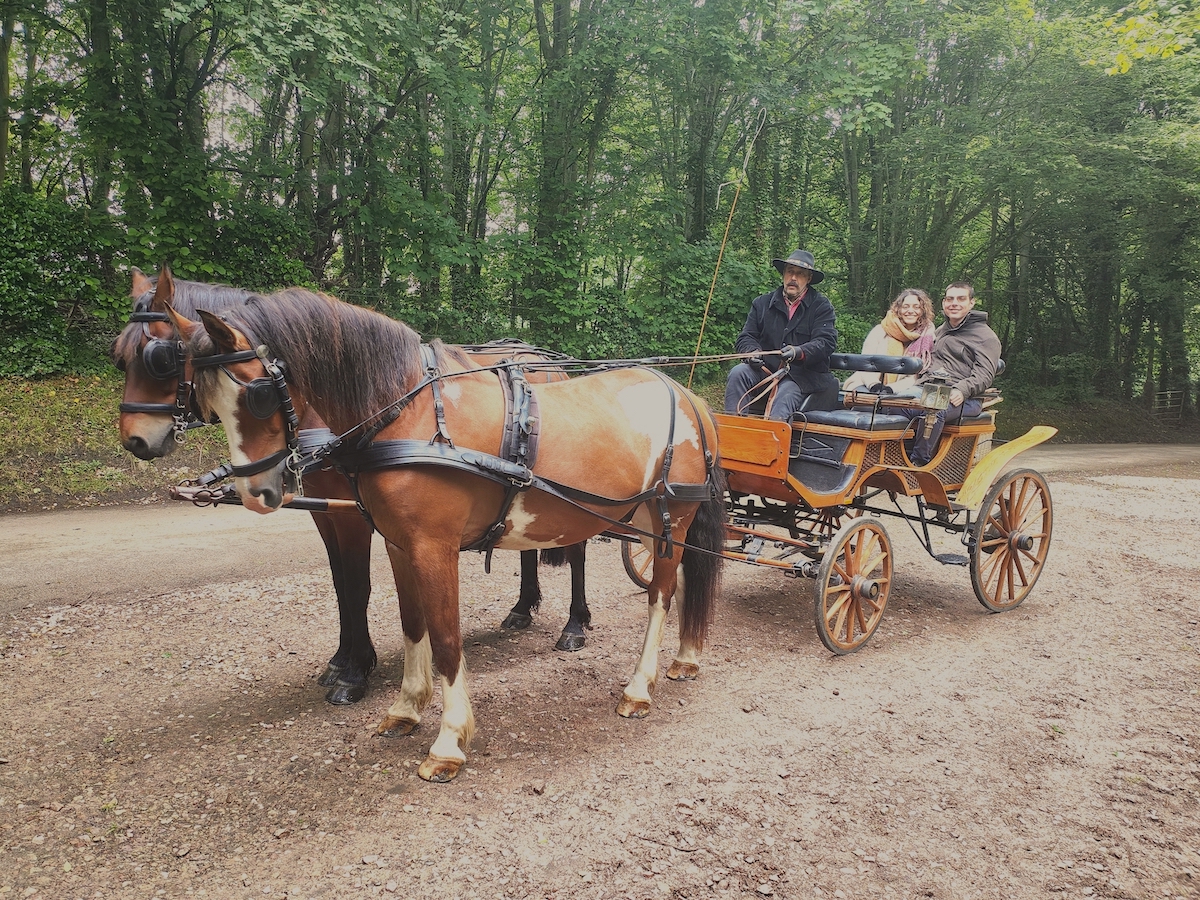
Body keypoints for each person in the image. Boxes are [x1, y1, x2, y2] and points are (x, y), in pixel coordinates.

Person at [724, 249, 839, 421]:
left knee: (785, 395)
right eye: (790, 272)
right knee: (738, 373)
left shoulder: (821, 306)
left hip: (803, 377)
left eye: (800, 274)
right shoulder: (761, 303)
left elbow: (826, 342)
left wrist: (798, 352)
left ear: (808, 279)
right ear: (783, 274)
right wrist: (752, 352)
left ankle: (771, 446)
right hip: (765, 370)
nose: (793, 278)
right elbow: (746, 337)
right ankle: (731, 433)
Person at [896, 282, 1001, 466]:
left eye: (961, 299)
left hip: (965, 398)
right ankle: (895, 456)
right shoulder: (939, 331)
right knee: (888, 403)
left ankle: (919, 464)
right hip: (928, 389)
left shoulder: (986, 337)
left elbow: (985, 374)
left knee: (934, 407)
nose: (954, 303)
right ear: (944, 303)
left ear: (971, 303)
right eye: (950, 299)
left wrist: (962, 389)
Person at [843, 288, 936, 392]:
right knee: (866, 404)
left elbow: (914, 377)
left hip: (902, 389)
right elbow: (865, 363)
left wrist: (891, 389)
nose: (910, 311)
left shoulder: (927, 337)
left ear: (923, 311)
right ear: (898, 309)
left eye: (916, 307)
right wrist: (874, 385)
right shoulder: (880, 330)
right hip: (866, 383)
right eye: (905, 306)